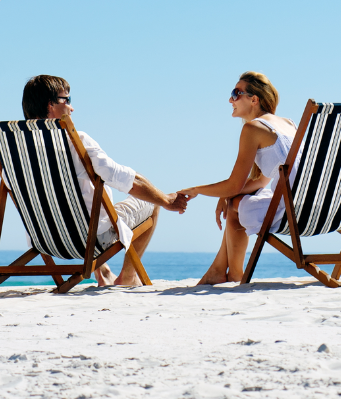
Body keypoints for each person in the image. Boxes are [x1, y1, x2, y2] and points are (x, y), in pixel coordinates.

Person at [20, 75, 189, 286]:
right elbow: (123, 178)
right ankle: (128, 278)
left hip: (43, 240)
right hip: (89, 240)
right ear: (50, 105)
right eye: (67, 100)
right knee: (150, 202)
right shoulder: (76, 140)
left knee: (86, 202)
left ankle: (103, 271)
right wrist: (165, 200)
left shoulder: (15, 151)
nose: (72, 108)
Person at [179, 71, 298, 285]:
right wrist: (224, 195)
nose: (230, 99)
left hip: (291, 210)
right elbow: (262, 181)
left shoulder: (254, 128)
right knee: (234, 200)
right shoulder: (287, 124)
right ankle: (217, 270)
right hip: (315, 208)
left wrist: (197, 190)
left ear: (254, 99)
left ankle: (234, 274)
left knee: (235, 204)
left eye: (236, 93)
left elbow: (235, 185)